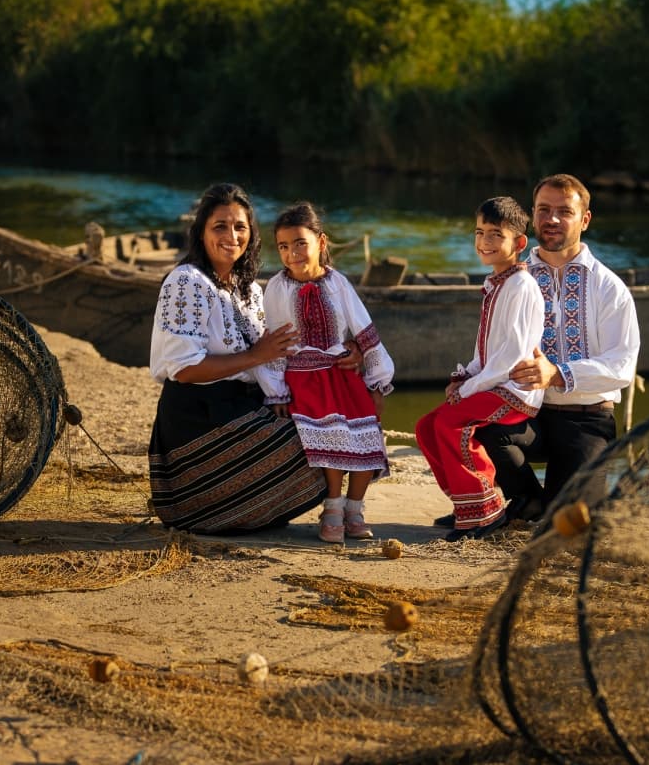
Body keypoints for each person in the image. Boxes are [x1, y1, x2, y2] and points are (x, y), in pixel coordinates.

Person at [148, 183, 335, 533]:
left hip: (242, 405)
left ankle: (260, 508)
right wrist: (254, 356)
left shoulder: (248, 288)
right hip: (198, 418)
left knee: (340, 419)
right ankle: (219, 507)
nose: (231, 235)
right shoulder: (186, 281)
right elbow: (185, 370)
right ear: (201, 232)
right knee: (315, 439)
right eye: (220, 226)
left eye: (240, 227)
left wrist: (350, 352)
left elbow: (281, 346)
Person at [472, 174, 640, 523]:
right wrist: (468, 378)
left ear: (585, 219)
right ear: (532, 216)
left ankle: (550, 505)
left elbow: (622, 366)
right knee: (478, 424)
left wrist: (557, 373)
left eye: (564, 211)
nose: (551, 219)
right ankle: (526, 499)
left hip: (587, 422)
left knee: (569, 522)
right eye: (544, 210)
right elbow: (491, 346)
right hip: (530, 413)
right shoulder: (513, 277)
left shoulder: (609, 287)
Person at [257, 201, 394, 545]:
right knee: (331, 435)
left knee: (367, 439)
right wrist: (276, 391)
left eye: (300, 243)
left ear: (321, 242)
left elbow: (364, 329)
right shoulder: (276, 287)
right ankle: (332, 508)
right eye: (284, 247)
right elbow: (272, 340)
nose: (292, 254)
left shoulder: (337, 283)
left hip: (342, 374)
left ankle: (355, 509)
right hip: (304, 379)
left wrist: (377, 379)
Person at [415, 196, 545, 541]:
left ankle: (486, 512)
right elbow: (485, 349)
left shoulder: (521, 286)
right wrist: (464, 376)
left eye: (495, 235)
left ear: (518, 243)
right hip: (491, 382)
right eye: (479, 232)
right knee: (426, 426)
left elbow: (512, 355)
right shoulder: (494, 284)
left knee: (450, 421)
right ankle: (466, 505)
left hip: (514, 389)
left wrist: (470, 389)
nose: (484, 242)